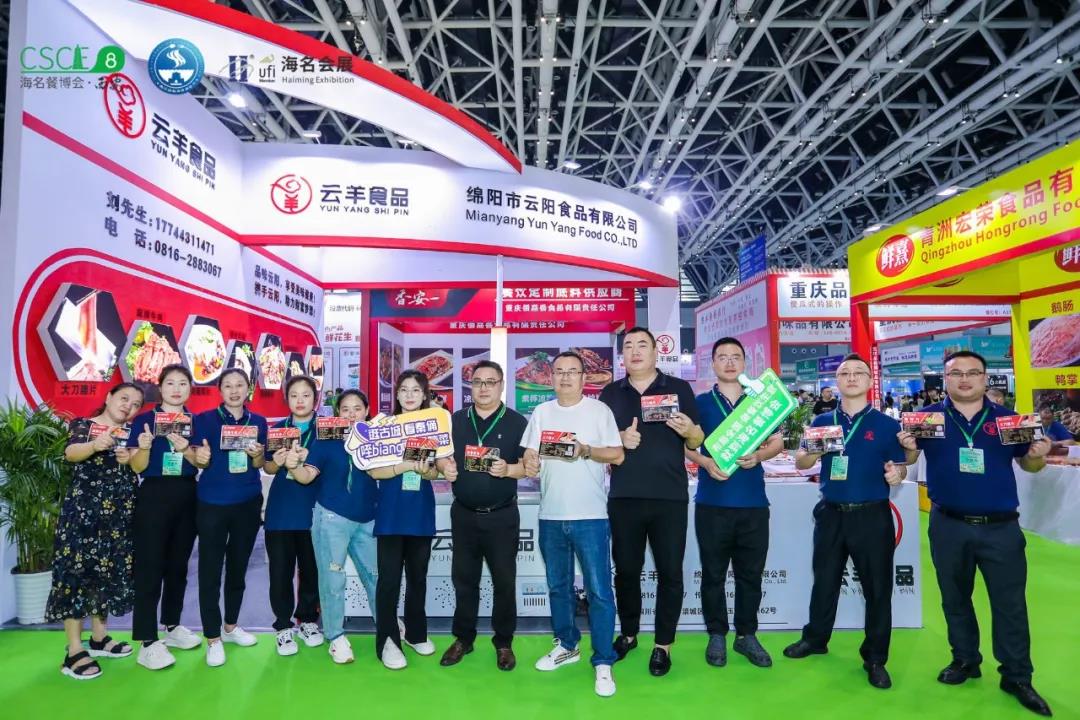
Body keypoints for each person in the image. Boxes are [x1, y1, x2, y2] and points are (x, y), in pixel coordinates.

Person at [899, 350, 1052, 716]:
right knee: (954, 597)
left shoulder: (1009, 420)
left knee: (1010, 604)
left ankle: (1017, 675)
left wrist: (1038, 454)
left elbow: (1030, 465)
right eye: (956, 374)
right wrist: (907, 450)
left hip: (1001, 527)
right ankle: (965, 659)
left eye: (972, 373)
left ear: (985, 379)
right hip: (948, 524)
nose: (964, 379)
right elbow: (908, 462)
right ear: (945, 380)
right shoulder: (927, 420)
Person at [785, 354, 907, 689]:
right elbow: (801, 461)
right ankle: (815, 638)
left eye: (858, 372)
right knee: (824, 581)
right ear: (836, 382)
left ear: (869, 380)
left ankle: (875, 658)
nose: (851, 377)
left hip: (872, 514)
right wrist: (815, 451)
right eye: (844, 373)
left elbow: (900, 465)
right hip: (831, 513)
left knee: (877, 589)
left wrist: (898, 473)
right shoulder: (823, 419)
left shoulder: (886, 425)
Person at [598, 327, 703, 676]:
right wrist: (619, 439)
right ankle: (629, 634)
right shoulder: (610, 393)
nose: (635, 351)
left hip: (669, 497)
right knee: (626, 571)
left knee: (670, 573)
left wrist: (690, 431)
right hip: (624, 496)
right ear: (622, 356)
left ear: (656, 352)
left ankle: (663, 644)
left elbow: (697, 440)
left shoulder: (679, 389)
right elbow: (599, 446)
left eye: (642, 344)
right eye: (628, 346)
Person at [522, 351, 625, 697]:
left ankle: (603, 660)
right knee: (558, 587)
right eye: (559, 372)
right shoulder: (541, 412)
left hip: (591, 516)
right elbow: (529, 454)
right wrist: (530, 459)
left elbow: (617, 454)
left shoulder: (599, 411)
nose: (565, 377)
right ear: (551, 377)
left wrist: (585, 450)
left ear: (584, 378)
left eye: (572, 372)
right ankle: (567, 644)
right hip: (551, 515)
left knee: (599, 591)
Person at [685, 338, 782, 670]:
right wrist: (705, 462)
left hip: (753, 503)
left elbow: (778, 441)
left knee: (750, 575)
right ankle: (716, 634)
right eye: (722, 357)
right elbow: (685, 445)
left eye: (736, 357)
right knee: (713, 574)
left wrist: (760, 456)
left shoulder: (759, 400)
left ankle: (746, 635)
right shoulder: (699, 403)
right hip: (712, 503)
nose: (729, 362)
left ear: (745, 363)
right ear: (712, 364)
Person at [48, 383, 144, 680]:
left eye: (136, 404)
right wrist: (94, 445)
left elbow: (138, 468)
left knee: (107, 574)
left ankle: (99, 638)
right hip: (83, 517)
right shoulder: (84, 425)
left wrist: (132, 457)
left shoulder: (131, 433)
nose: (128, 406)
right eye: (124, 398)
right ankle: (74, 650)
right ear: (108, 397)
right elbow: (71, 452)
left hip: (119, 518)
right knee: (76, 576)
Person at [441, 361, 529, 671]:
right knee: (464, 580)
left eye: (490, 382)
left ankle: (503, 642)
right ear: (471, 386)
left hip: (501, 516)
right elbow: (441, 458)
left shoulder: (517, 422)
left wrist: (509, 469)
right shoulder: (455, 420)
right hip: (464, 514)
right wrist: (444, 467)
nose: (483, 388)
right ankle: (463, 638)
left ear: (501, 385)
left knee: (504, 581)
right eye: (478, 382)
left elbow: (529, 467)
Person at [370, 370, 458, 670]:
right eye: (404, 390)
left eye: (416, 390)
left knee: (418, 577)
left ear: (424, 396)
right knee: (389, 581)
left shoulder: (433, 427)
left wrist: (429, 470)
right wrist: (404, 466)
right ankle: (387, 640)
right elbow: (373, 470)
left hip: (419, 510)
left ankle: (416, 633)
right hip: (391, 512)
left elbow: (435, 471)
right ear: (396, 395)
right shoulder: (384, 427)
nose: (409, 395)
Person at [290, 390, 379, 664]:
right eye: (345, 409)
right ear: (338, 413)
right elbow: (307, 476)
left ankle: (387, 624)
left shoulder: (377, 439)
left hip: (368, 519)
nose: (351, 414)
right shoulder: (326, 440)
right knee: (333, 580)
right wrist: (293, 466)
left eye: (357, 408)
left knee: (376, 576)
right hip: (332, 519)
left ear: (367, 411)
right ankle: (335, 635)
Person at [127, 364, 204, 670]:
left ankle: (171, 625)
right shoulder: (144, 420)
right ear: (160, 388)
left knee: (178, 566)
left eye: (182, 383)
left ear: (190, 389)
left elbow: (201, 462)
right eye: (170, 383)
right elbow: (136, 466)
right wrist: (144, 447)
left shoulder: (196, 422)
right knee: (150, 567)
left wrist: (186, 449)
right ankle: (147, 641)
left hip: (187, 493)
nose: (176, 389)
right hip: (154, 494)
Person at [190, 368, 268, 667]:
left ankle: (231, 626)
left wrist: (257, 454)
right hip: (212, 504)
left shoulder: (258, 421)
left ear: (248, 389)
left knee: (238, 568)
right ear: (220, 390)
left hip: (247, 503)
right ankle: (212, 637)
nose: (234, 391)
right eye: (228, 386)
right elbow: (196, 457)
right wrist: (200, 457)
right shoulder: (204, 420)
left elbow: (260, 464)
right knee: (210, 570)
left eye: (240, 385)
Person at [263, 375, 324, 656]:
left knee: (311, 569)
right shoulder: (277, 430)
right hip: (281, 510)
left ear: (315, 399)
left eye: (306, 395)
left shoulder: (326, 430)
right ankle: (283, 625)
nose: (300, 401)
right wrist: (276, 462)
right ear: (287, 399)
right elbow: (267, 468)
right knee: (280, 571)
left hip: (315, 508)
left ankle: (308, 620)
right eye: (294, 395)